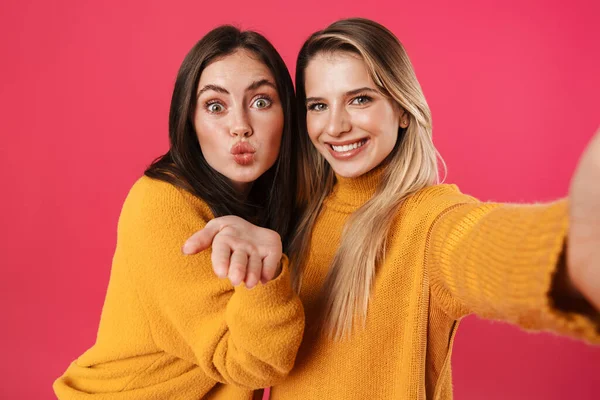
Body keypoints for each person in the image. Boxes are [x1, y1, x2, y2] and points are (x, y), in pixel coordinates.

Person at [184, 18, 600, 400]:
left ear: (402, 108)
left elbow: (484, 247)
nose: (335, 126)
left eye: (360, 99)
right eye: (318, 105)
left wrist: (572, 245)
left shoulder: (429, 220)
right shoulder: (300, 214)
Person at [53, 25, 305, 400]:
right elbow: (250, 363)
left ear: (288, 114)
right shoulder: (160, 203)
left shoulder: (277, 201)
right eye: (215, 106)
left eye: (261, 102)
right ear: (190, 121)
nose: (240, 127)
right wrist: (265, 278)